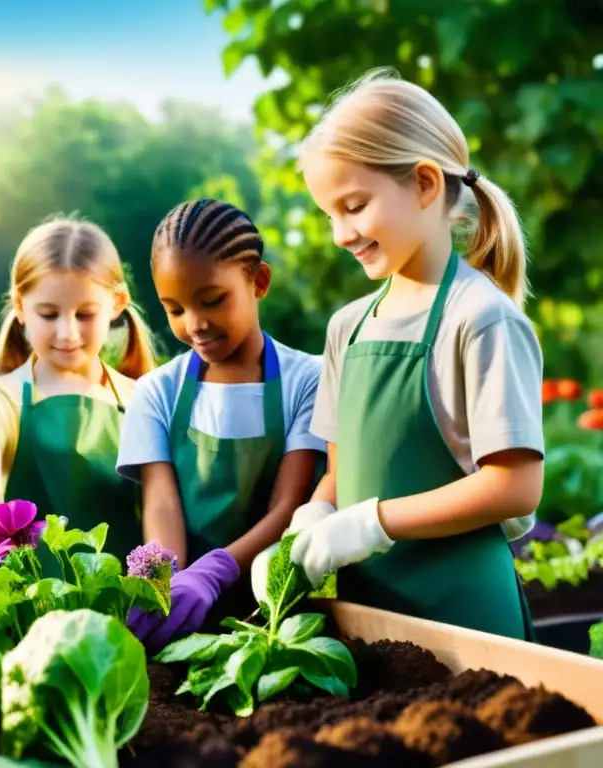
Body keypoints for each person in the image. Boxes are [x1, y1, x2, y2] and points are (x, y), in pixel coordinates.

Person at [284, 69, 542, 640]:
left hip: (468, 624)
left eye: (353, 206)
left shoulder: (481, 319)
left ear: (425, 184)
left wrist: (373, 523)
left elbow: (515, 487)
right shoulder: (346, 329)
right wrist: (316, 515)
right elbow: (339, 469)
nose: (339, 234)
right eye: (329, 214)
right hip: (370, 620)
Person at [119, 199, 327, 650]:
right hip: (187, 613)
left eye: (213, 301)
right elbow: (162, 506)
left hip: (282, 612)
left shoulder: (307, 379)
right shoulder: (157, 392)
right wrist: (159, 587)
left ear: (259, 282)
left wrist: (216, 570)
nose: (195, 324)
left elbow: (289, 504)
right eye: (174, 309)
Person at [0, 217, 156, 573]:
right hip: (22, 614)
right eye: (48, 313)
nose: (67, 332)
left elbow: (160, 516)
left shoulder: (142, 402)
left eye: (85, 314)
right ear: (19, 306)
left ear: (117, 303)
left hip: (129, 618)